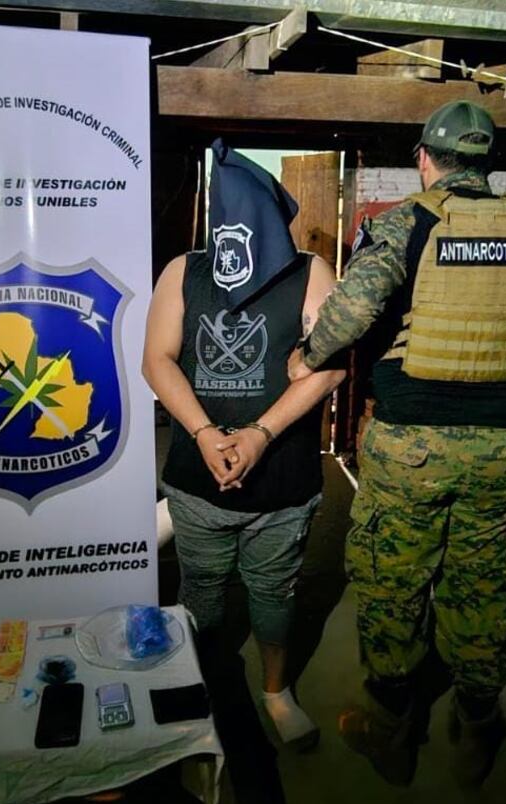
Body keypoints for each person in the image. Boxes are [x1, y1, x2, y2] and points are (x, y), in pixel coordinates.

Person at [288, 100, 506, 787]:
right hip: (503, 447)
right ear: (489, 163)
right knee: (484, 584)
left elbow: (352, 311)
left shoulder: (409, 224)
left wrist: (306, 358)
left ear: (425, 159)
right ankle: (476, 731)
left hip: (410, 448)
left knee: (393, 582)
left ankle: (389, 730)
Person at [143, 141, 344, 749]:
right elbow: (158, 359)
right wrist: (206, 434)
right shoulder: (184, 271)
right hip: (197, 478)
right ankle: (201, 685)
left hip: (282, 482)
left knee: (273, 591)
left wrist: (261, 434)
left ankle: (276, 691)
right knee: (201, 591)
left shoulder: (310, 272)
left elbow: (330, 367)